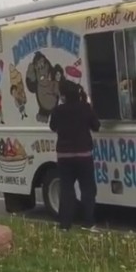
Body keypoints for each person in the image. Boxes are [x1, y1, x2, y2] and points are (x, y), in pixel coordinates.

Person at [49, 80, 101, 232]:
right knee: (87, 189)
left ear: (63, 96)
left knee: (66, 189)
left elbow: (53, 127)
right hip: (83, 155)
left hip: (64, 156)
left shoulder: (58, 110)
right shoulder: (85, 108)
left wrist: (57, 105)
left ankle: (65, 224)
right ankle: (88, 222)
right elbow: (96, 126)